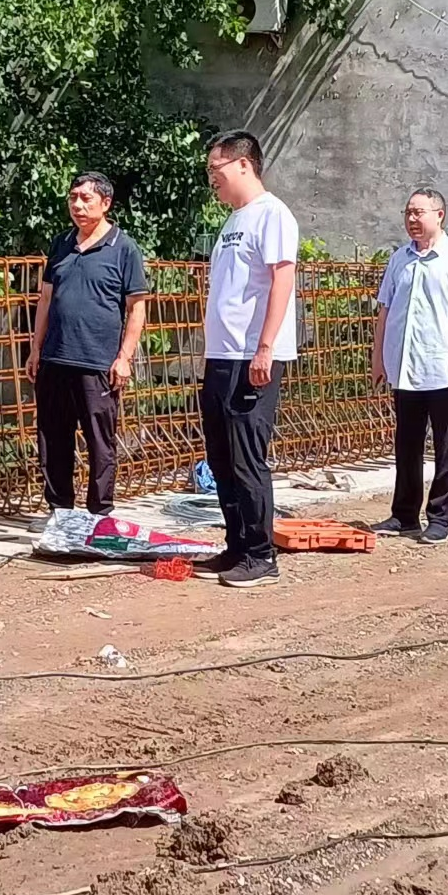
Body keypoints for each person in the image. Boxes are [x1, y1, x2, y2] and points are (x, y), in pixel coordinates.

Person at [193, 130, 299, 589]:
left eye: (215, 169)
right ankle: (236, 545)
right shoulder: (234, 221)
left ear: (243, 164)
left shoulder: (272, 215)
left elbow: (281, 280)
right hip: (221, 355)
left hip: (252, 357)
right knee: (220, 457)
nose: (211, 178)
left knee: (246, 457)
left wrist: (265, 347)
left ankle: (260, 554)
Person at [26, 171, 149, 515]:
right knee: (53, 439)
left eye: (86, 198)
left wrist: (124, 357)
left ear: (105, 203)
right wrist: (36, 349)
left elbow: (136, 308)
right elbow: (46, 299)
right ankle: (60, 512)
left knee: (99, 442)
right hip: (55, 359)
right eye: (73, 198)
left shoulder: (123, 248)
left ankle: (99, 513)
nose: (77, 205)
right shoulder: (61, 244)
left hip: (98, 364)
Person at [370, 188, 448, 545]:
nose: (412, 219)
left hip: (444, 369)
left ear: (439, 215)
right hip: (404, 368)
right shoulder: (399, 259)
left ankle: (440, 517)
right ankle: (404, 515)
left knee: (446, 446)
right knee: (407, 445)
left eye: (418, 212)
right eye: (408, 213)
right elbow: (385, 310)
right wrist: (378, 358)